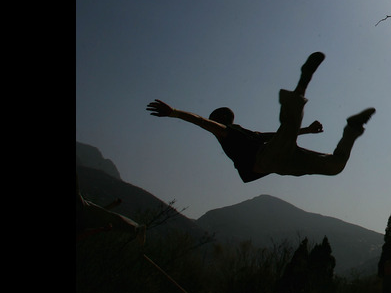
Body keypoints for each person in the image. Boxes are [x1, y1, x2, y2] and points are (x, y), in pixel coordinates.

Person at [147, 52, 375, 182]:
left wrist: (305, 131)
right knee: (291, 129)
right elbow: (203, 122)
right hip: (268, 160)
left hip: (275, 160)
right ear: (223, 121)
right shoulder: (225, 133)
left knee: (335, 165)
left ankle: (352, 129)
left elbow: (272, 135)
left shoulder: (241, 132)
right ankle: (302, 85)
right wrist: (174, 112)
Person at [76, 173, 146, 245]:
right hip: (83, 215)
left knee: (107, 217)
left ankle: (136, 229)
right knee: (107, 217)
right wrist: (100, 229)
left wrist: (100, 229)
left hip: (82, 213)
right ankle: (136, 229)